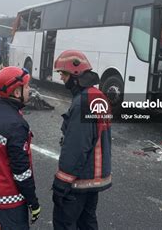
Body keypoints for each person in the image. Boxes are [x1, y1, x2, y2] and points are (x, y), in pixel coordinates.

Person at [52, 50, 112, 230]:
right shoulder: (98, 96)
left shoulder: (82, 102)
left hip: (80, 180)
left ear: (75, 74)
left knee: (65, 223)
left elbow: (76, 147)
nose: (62, 78)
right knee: (87, 223)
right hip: (95, 179)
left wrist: (62, 182)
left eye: (63, 74)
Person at [0, 66, 40, 229]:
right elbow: (21, 172)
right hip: (7, 201)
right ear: (16, 93)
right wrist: (33, 202)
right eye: (26, 86)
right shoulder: (15, 125)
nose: (29, 89)